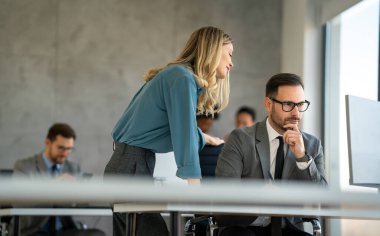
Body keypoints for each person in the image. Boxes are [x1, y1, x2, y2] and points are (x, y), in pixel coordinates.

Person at [104, 26, 234, 236]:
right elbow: (183, 135)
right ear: (213, 49)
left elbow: (175, 127)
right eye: (229, 54)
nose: (231, 63)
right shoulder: (182, 78)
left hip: (130, 164)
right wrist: (195, 187)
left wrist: (204, 137)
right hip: (133, 167)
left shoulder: (176, 75)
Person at [215, 73, 327, 236]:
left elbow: (322, 198)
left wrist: (302, 157)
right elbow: (223, 194)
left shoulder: (312, 145)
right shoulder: (240, 138)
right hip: (245, 227)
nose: (296, 113)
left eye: (300, 104)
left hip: (288, 228)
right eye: (288, 104)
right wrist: (260, 196)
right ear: (268, 104)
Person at [12, 123, 105, 236]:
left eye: (69, 149)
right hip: (34, 230)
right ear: (48, 142)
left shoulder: (73, 168)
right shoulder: (24, 166)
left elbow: (82, 204)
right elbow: (18, 201)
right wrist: (51, 187)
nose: (65, 153)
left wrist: (84, 191)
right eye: (61, 148)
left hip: (65, 230)